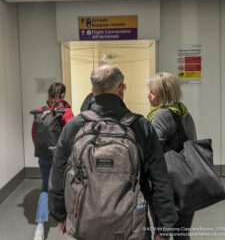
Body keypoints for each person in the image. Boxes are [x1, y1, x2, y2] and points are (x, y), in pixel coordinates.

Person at [49, 65, 178, 240]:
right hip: (133, 226)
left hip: (85, 224)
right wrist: (164, 227)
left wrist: (59, 214)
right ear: (121, 89)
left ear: (93, 91)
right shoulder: (140, 126)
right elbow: (159, 179)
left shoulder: (75, 126)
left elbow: (58, 173)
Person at [146, 72, 197, 240]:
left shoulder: (160, 116)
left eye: (152, 92)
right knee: (182, 234)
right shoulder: (185, 114)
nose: (148, 95)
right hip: (188, 185)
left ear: (162, 94)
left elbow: (155, 153)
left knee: (163, 234)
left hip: (167, 188)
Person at [31, 82, 74, 240]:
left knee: (45, 189)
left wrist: (44, 151)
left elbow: (34, 135)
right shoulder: (66, 111)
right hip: (62, 159)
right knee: (65, 188)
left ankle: (40, 228)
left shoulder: (41, 112)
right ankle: (63, 221)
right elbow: (72, 136)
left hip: (44, 157)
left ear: (48, 95)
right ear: (63, 95)